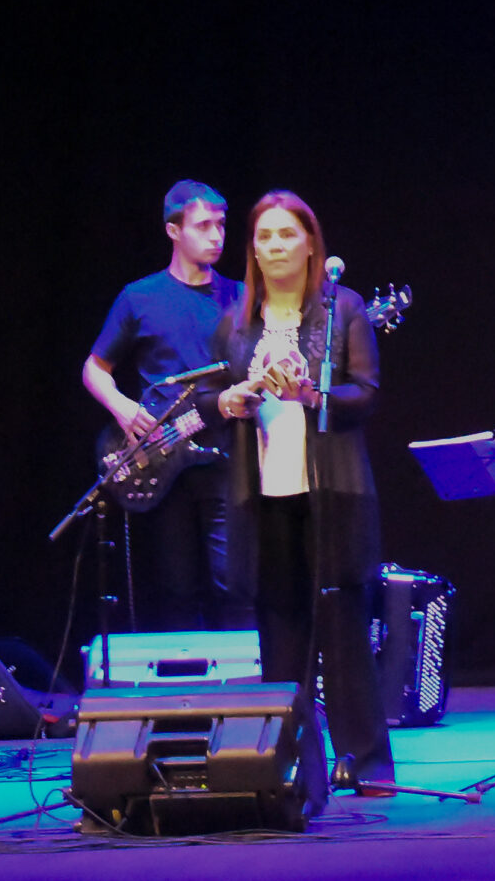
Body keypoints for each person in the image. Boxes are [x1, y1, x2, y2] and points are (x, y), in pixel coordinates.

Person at [201, 189, 394, 801]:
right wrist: (229, 401)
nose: (275, 246)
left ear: (311, 244)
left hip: (331, 492)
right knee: (278, 633)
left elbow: (366, 395)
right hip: (263, 495)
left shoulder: (343, 309)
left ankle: (365, 763)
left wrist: (314, 397)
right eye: (263, 237)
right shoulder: (235, 319)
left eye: (287, 235)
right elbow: (211, 398)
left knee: (341, 627)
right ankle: (290, 765)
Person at [82, 179, 250, 631]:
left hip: (226, 459)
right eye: (203, 226)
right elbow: (94, 369)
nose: (217, 236)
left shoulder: (240, 297)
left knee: (234, 584)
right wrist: (121, 407)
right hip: (163, 460)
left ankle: (243, 697)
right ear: (173, 230)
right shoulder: (140, 297)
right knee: (175, 592)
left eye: (221, 225)